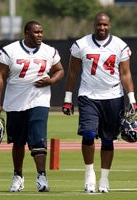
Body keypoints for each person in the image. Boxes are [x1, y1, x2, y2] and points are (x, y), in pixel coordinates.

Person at [62, 12, 136, 193]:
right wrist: (67, 98)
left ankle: (104, 179)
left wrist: (132, 99)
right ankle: (89, 175)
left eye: (105, 25)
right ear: (94, 25)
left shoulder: (120, 45)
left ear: (110, 25)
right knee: (88, 134)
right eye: (99, 25)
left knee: (108, 140)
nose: (102, 28)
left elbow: (125, 74)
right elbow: (72, 72)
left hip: (113, 96)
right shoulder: (81, 44)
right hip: (88, 96)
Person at [0, 21, 64, 192]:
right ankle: (18, 175)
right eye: (36, 32)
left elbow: (60, 70)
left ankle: (42, 177)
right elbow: (0, 76)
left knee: (38, 139)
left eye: (41, 32)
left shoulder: (49, 51)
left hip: (40, 100)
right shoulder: (10, 50)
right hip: (15, 102)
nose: (39, 35)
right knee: (18, 142)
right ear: (26, 33)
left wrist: (51, 80)